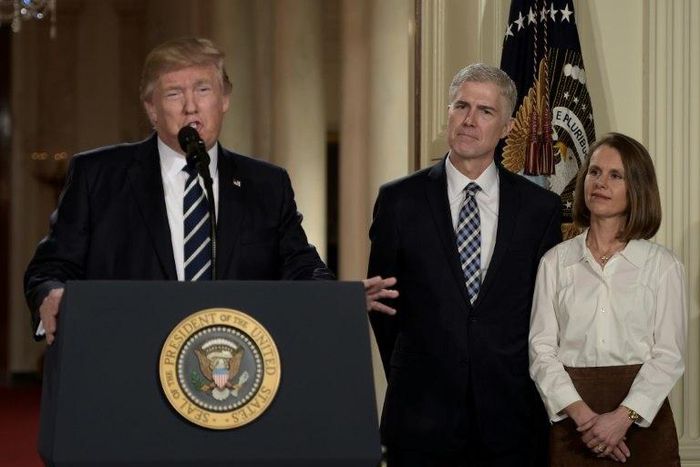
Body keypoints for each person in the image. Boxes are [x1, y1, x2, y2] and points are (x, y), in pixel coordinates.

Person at [24, 37, 396, 344]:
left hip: (231, 369)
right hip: (129, 361)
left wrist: (339, 299)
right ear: (151, 110)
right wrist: (51, 294)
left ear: (224, 100)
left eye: (203, 89)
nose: (190, 107)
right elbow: (51, 267)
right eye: (173, 94)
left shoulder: (266, 185)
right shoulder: (98, 176)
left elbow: (299, 266)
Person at [367, 63, 562, 466]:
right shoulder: (399, 200)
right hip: (420, 416)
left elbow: (545, 310)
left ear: (508, 126)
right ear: (449, 113)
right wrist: (420, 371)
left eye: (485, 111)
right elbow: (385, 308)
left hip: (512, 418)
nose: (469, 120)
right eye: (461, 106)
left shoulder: (539, 209)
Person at [529, 132, 687, 465]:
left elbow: (668, 355)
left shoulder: (662, 266)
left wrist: (620, 420)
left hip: (642, 422)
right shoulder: (555, 262)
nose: (600, 182)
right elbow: (541, 350)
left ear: (637, 189)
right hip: (572, 420)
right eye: (595, 172)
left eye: (616, 176)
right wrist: (587, 421)